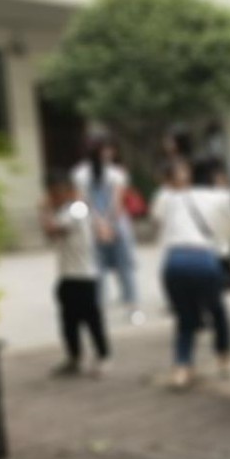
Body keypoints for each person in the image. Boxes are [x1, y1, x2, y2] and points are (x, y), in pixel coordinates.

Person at [150, 156, 230, 389]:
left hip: (173, 262)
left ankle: (182, 368)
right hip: (204, 260)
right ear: (215, 177)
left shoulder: (171, 198)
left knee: (185, 319)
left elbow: (158, 222)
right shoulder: (223, 197)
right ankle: (224, 359)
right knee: (217, 310)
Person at [39, 171, 110, 377]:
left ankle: (103, 356)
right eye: (52, 192)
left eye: (57, 192)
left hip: (84, 275)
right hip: (67, 274)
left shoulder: (78, 208)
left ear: (69, 191)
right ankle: (74, 357)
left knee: (92, 320)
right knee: (68, 321)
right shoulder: (65, 210)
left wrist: (44, 210)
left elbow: (53, 229)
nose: (54, 197)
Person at [72, 135, 143, 325]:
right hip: (105, 225)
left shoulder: (110, 173)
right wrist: (103, 224)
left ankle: (123, 309)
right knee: (112, 268)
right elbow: (88, 201)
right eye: (106, 149)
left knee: (114, 269)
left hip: (104, 225)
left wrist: (102, 223)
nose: (110, 152)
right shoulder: (89, 174)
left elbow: (112, 201)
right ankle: (118, 309)